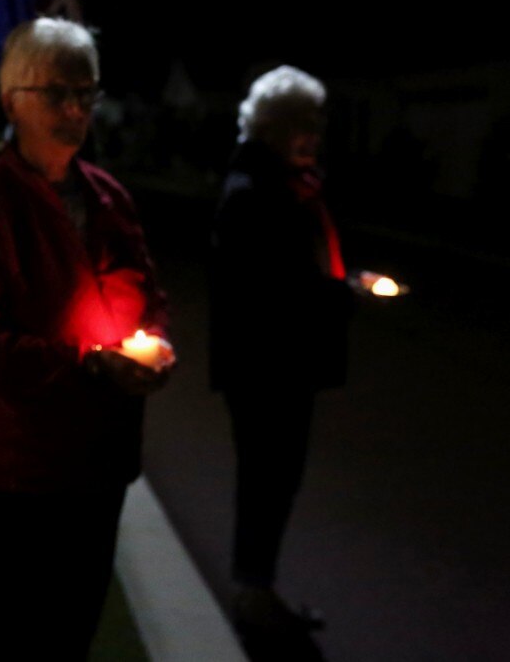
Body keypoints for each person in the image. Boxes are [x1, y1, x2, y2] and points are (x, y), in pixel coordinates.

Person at [0, 17, 174, 660]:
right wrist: (92, 367)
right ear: (12, 99)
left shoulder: (110, 199)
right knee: (16, 632)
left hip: (99, 463)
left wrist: (157, 347)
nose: (75, 109)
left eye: (86, 92)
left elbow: (151, 300)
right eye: (57, 93)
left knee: (74, 627)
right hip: (16, 470)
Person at [209, 64, 353, 634]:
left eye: (315, 122)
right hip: (268, 369)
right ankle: (253, 594)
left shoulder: (278, 187)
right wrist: (340, 296)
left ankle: (257, 589)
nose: (314, 133)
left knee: (273, 479)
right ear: (274, 127)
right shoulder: (256, 195)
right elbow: (274, 291)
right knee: (268, 479)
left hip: (275, 365)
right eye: (302, 122)